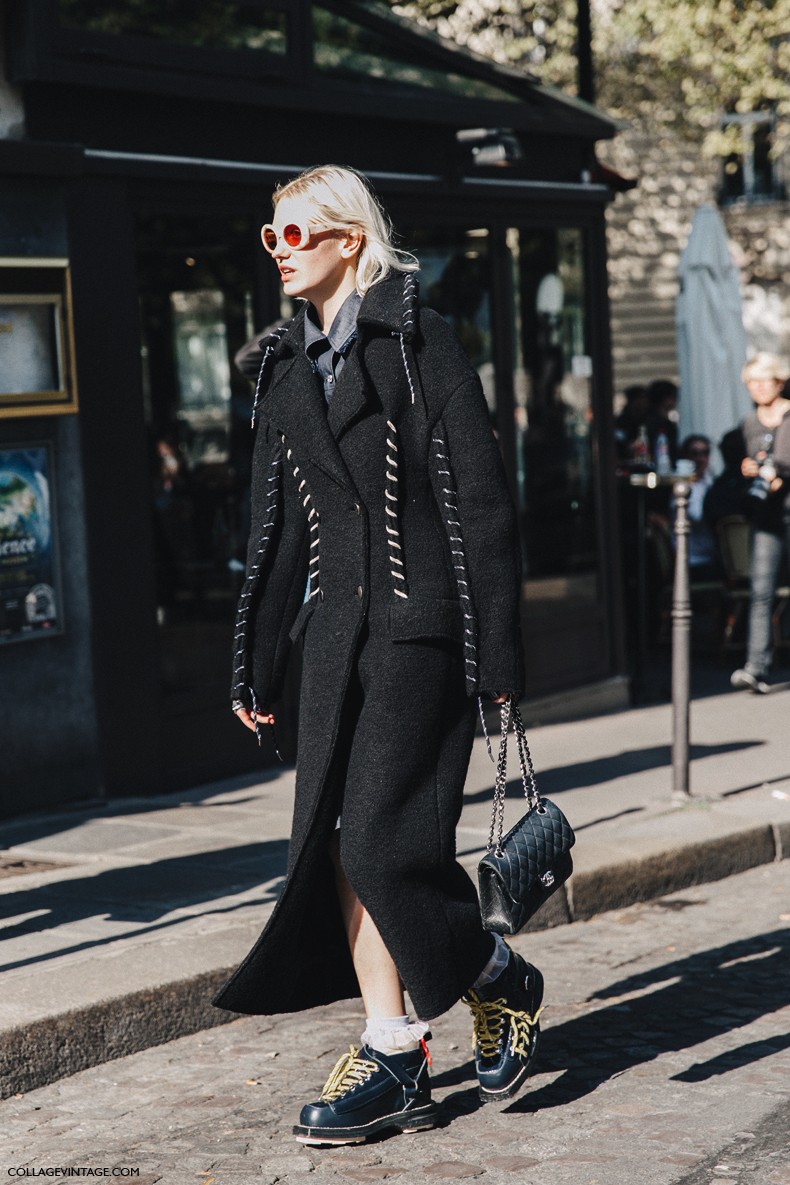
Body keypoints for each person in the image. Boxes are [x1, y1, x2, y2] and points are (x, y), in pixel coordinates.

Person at [213, 166, 542, 1145]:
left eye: (293, 234)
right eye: (269, 236)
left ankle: (479, 983)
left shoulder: (417, 338)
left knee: (381, 844)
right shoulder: (280, 365)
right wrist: (253, 659)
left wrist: (498, 659)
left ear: (347, 240)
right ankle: (397, 1042)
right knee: (338, 841)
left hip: (420, 629)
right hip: (332, 642)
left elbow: (480, 504)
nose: (276, 251)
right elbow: (275, 528)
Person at [730, 352, 790, 694]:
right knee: (761, 591)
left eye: (763, 381)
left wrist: (779, 471)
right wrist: (750, 468)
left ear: (779, 382)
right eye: (751, 383)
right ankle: (756, 666)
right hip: (767, 516)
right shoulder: (749, 422)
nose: (757, 388)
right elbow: (751, 461)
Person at [675, 433, 717, 579]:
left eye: (705, 453)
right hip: (694, 559)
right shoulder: (682, 486)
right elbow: (699, 516)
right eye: (694, 453)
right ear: (686, 457)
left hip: (713, 556)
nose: (700, 458)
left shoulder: (710, 481)